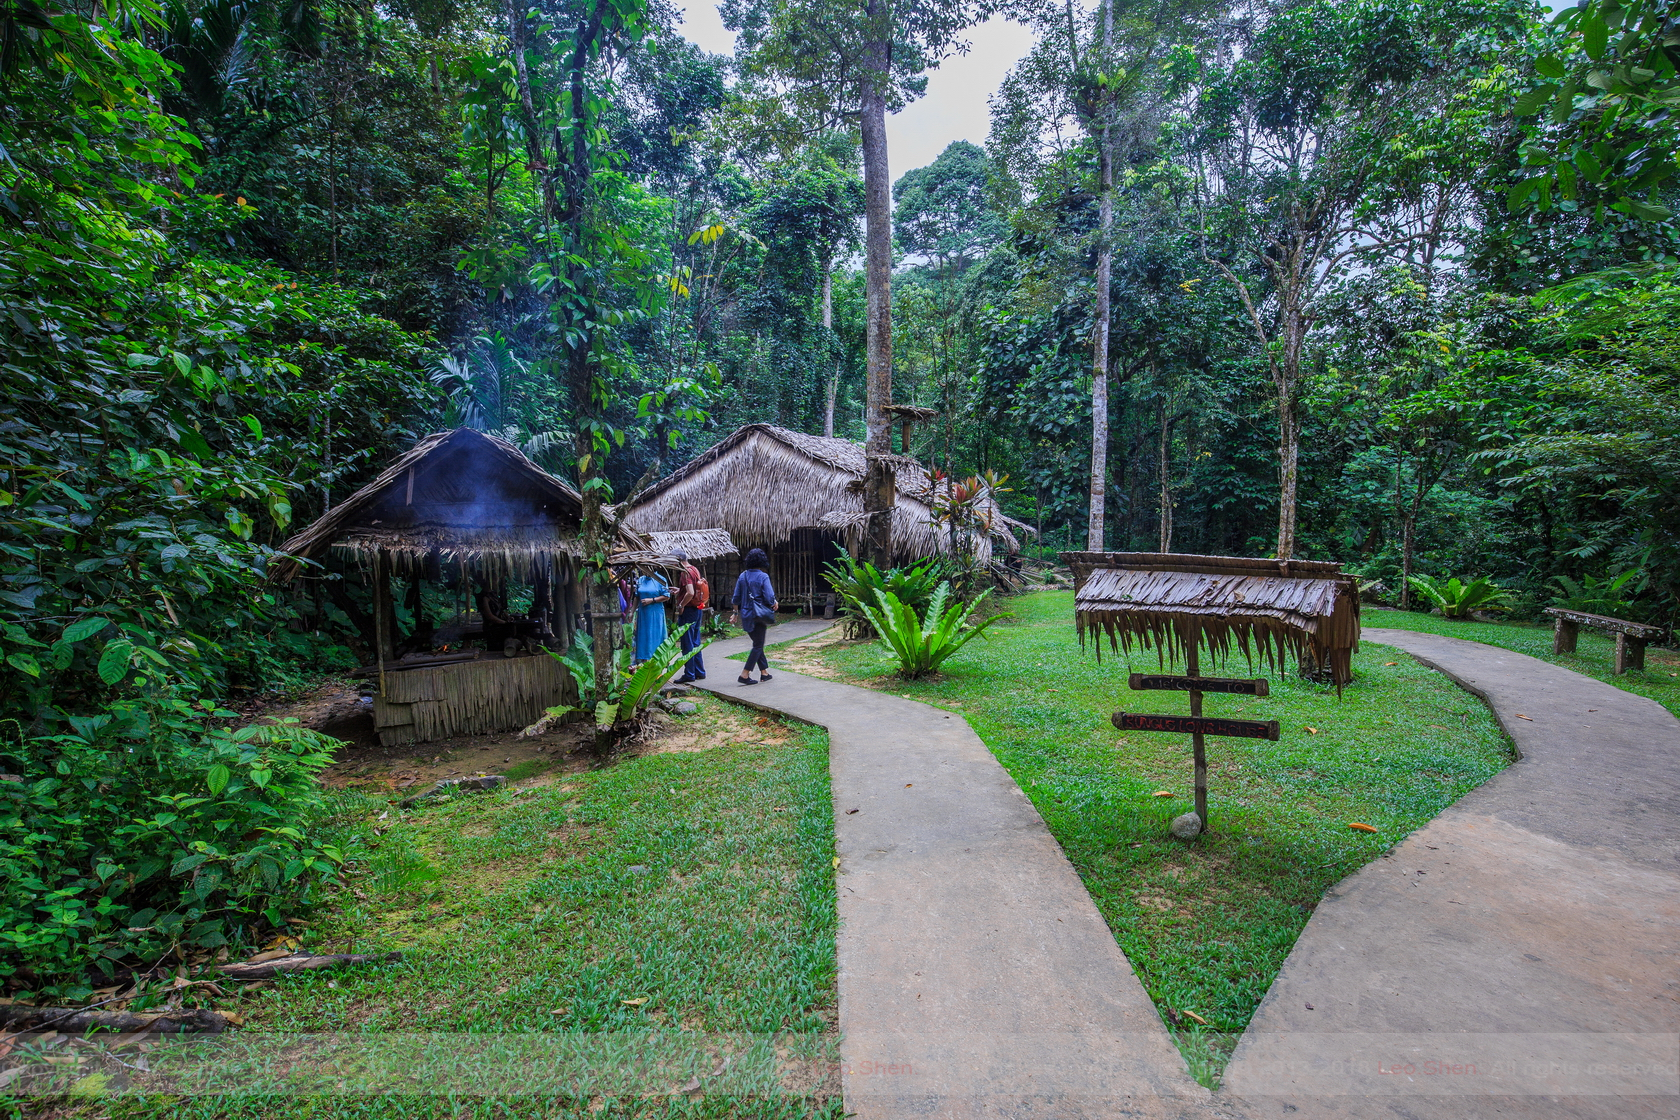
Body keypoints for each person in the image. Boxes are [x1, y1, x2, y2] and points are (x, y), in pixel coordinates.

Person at [731, 547, 778, 685]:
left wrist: (735, 613)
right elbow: (769, 597)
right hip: (759, 614)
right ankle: (744, 674)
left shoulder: (742, 576)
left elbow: (736, 598)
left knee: (757, 642)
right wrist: (774, 602)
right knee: (758, 645)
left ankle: (764, 673)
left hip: (746, 615)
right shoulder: (763, 576)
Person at [672, 549, 707, 683]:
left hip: (688, 611)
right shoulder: (694, 569)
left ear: (678, 560)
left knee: (687, 643)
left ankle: (689, 674)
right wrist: (679, 590)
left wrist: (681, 605)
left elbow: (690, 592)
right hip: (697, 609)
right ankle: (699, 671)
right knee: (695, 642)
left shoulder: (685, 573)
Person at [633, 569, 670, 663]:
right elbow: (637, 597)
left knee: (655, 637)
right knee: (643, 638)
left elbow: (666, 596)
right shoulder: (641, 580)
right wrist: (632, 611)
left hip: (655, 613)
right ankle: (644, 661)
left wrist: (652, 600)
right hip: (643, 614)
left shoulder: (661, 580)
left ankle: (657, 662)